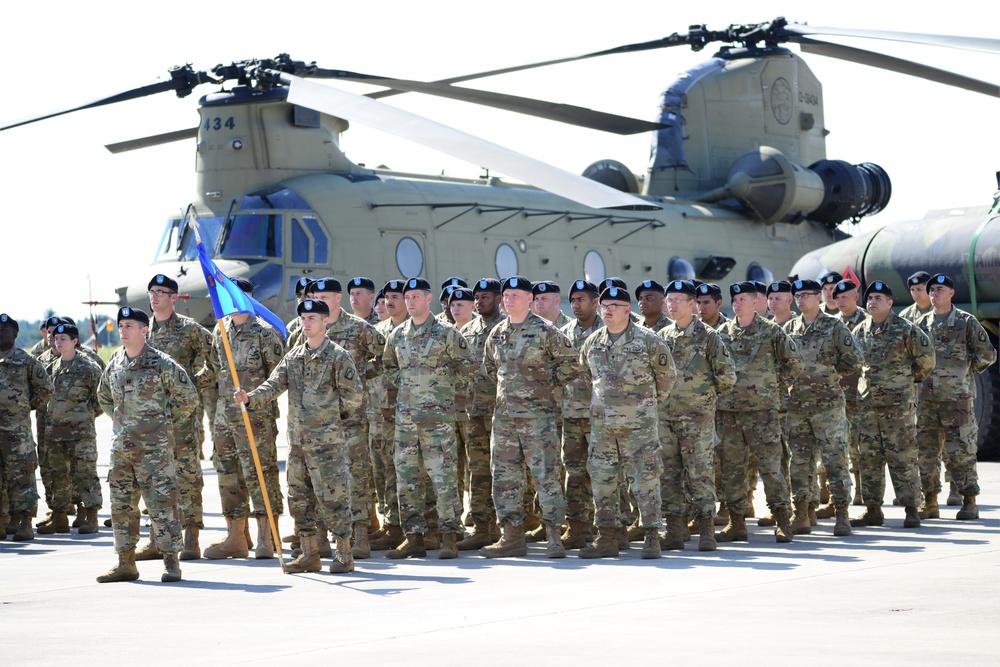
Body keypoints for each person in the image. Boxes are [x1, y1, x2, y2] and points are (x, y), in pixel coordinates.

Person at [236, 299, 363, 573]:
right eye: (303, 318)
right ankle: (309, 554)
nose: (306, 322)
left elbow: (354, 397)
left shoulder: (338, 357)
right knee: (299, 498)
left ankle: (344, 554)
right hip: (298, 444)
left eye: (312, 318)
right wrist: (249, 398)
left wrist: (329, 419)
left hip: (327, 446)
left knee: (333, 499)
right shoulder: (294, 357)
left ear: (325, 321)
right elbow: (273, 385)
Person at [96, 307, 197, 583]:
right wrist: (123, 422)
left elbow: (188, 398)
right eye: (121, 326)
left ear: (144, 330)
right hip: (122, 450)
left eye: (130, 325)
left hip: (154, 450)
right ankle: (125, 563)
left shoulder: (162, 363)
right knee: (121, 507)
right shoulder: (115, 362)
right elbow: (104, 396)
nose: (123, 330)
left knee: (162, 506)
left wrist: (161, 424)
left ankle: (171, 563)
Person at [480, 276, 578, 558]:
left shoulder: (546, 331)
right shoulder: (497, 332)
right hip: (505, 419)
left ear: (529, 299)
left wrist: (545, 385)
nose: (508, 300)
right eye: (506, 295)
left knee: (546, 476)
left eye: (515, 295)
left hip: (538, 418)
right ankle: (511, 536)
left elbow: (572, 364)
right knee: (505, 477)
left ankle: (554, 535)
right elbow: (490, 366)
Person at [577, 287, 675, 559]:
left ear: (627, 309)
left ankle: (652, 535)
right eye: (604, 305)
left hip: (638, 426)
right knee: (603, 481)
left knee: (645, 480)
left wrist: (645, 406)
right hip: (603, 427)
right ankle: (607, 536)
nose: (607, 310)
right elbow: (586, 376)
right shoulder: (593, 342)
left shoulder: (648, 341)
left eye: (615, 305)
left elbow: (666, 378)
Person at [381, 278, 474, 559]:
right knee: (408, 479)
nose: (410, 302)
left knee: (443, 479)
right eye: (407, 297)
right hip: (406, 420)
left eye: (416, 297)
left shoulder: (446, 333)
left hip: (437, 420)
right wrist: (408, 386)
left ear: (428, 298)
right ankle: (414, 538)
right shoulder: (398, 335)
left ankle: (448, 535)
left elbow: (468, 366)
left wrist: (441, 388)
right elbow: (389, 365)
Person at [715, 282, 802, 543]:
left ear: (755, 303)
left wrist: (772, 386)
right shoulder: (721, 333)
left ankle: (783, 520)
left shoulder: (771, 332)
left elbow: (794, 364)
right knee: (732, 470)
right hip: (729, 413)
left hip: (762, 413)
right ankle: (737, 522)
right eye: (735, 299)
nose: (738, 303)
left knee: (771, 468)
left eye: (743, 299)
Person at [205, 283, 286, 560]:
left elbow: (279, 378)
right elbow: (216, 370)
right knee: (229, 476)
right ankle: (236, 537)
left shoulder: (265, 333)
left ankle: (267, 536)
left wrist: (255, 398)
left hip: (256, 417)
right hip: (225, 416)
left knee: (260, 474)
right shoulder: (220, 330)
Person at [305, 278, 385, 558]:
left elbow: (387, 357)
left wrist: (361, 376)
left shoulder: (359, 328)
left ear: (338, 299)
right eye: (316, 296)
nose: (320, 300)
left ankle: (360, 535)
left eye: (325, 296)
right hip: (317, 422)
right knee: (319, 479)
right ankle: (322, 538)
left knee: (356, 477)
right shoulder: (307, 329)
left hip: (350, 420)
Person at [140, 274, 215, 561]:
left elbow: (217, 358)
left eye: (162, 292)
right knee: (152, 478)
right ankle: (156, 539)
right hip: (149, 419)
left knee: (186, 475)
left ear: (174, 297)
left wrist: (194, 385)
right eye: (152, 291)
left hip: (180, 417)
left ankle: (191, 537)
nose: (155, 296)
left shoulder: (189, 330)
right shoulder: (141, 330)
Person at [657, 280, 736, 551]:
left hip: (697, 419)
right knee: (668, 475)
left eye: (679, 300)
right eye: (670, 300)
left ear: (692, 304)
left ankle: (706, 530)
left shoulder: (710, 336)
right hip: (666, 418)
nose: (672, 304)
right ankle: (675, 530)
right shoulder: (662, 337)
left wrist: (703, 397)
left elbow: (727, 376)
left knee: (700, 475)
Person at [850, 281, 934, 529]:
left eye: (878, 297)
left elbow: (927, 360)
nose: (872, 302)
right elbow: (853, 362)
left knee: (903, 457)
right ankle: (873, 510)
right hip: (868, 406)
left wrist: (908, 381)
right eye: (870, 298)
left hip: (897, 407)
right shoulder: (860, 331)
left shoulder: (905, 329)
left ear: (889, 302)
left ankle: (911, 508)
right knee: (870, 459)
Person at [783, 279, 863, 537]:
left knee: (835, 460)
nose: (801, 299)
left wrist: (830, 374)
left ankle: (842, 514)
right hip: (797, 406)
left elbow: (854, 359)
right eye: (798, 295)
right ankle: (802, 513)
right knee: (800, 463)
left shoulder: (833, 326)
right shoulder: (789, 328)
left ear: (818, 297)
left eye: (807, 295)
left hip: (827, 405)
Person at [915, 274, 997, 521]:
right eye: (931, 290)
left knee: (961, 450)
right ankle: (930, 501)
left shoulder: (966, 322)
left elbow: (988, 354)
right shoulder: (921, 324)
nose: (934, 294)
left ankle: (969, 501)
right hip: (926, 401)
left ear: (951, 293)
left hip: (957, 400)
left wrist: (965, 372)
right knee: (927, 452)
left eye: (939, 289)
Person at [38, 323, 103, 535]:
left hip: (80, 433)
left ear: (74, 341)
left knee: (85, 474)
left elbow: (102, 398)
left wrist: (84, 415)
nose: (58, 342)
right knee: (58, 475)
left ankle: (91, 515)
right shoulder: (51, 367)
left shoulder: (88, 367)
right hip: (55, 433)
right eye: (56, 338)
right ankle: (60, 517)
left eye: (63, 338)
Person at [455, 279, 505, 550]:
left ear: (498, 299)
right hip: (474, 411)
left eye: (485, 297)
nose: (479, 302)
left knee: (505, 472)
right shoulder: (469, 329)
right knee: (478, 471)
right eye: (477, 297)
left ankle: (508, 527)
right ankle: (483, 528)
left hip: (501, 411)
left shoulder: (507, 327)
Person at [557, 279, 602, 549]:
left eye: (581, 299)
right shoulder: (563, 333)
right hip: (572, 415)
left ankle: (610, 527)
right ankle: (577, 528)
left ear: (595, 302)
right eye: (572, 300)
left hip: (600, 416)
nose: (575, 304)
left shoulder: (608, 331)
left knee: (605, 473)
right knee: (574, 474)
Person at [0, 314, 52, 541]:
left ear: (14, 334)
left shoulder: (26, 360)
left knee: (22, 476)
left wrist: (24, 406)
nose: (1, 332)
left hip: (16, 431)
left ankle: (25, 523)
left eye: (5, 329)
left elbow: (45, 388)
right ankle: (3, 521)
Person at [369, 280, 409, 551]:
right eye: (387, 298)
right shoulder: (377, 331)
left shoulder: (412, 331)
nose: (389, 302)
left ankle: (406, 527)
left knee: (404, 472)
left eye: (396, 297)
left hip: (407, 413)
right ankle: (389, 524)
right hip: (378, 412)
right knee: (382, 470)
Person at [833, 279, 867, 507]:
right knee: (839, 445)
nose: (840, 301)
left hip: (860, 395)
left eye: (845, 296)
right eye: (837, 298)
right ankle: (842, 491)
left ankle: (863, 488)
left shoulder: (867, 321)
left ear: (856, 297)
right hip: (836, 396)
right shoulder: (831, 324)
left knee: (860, 445)